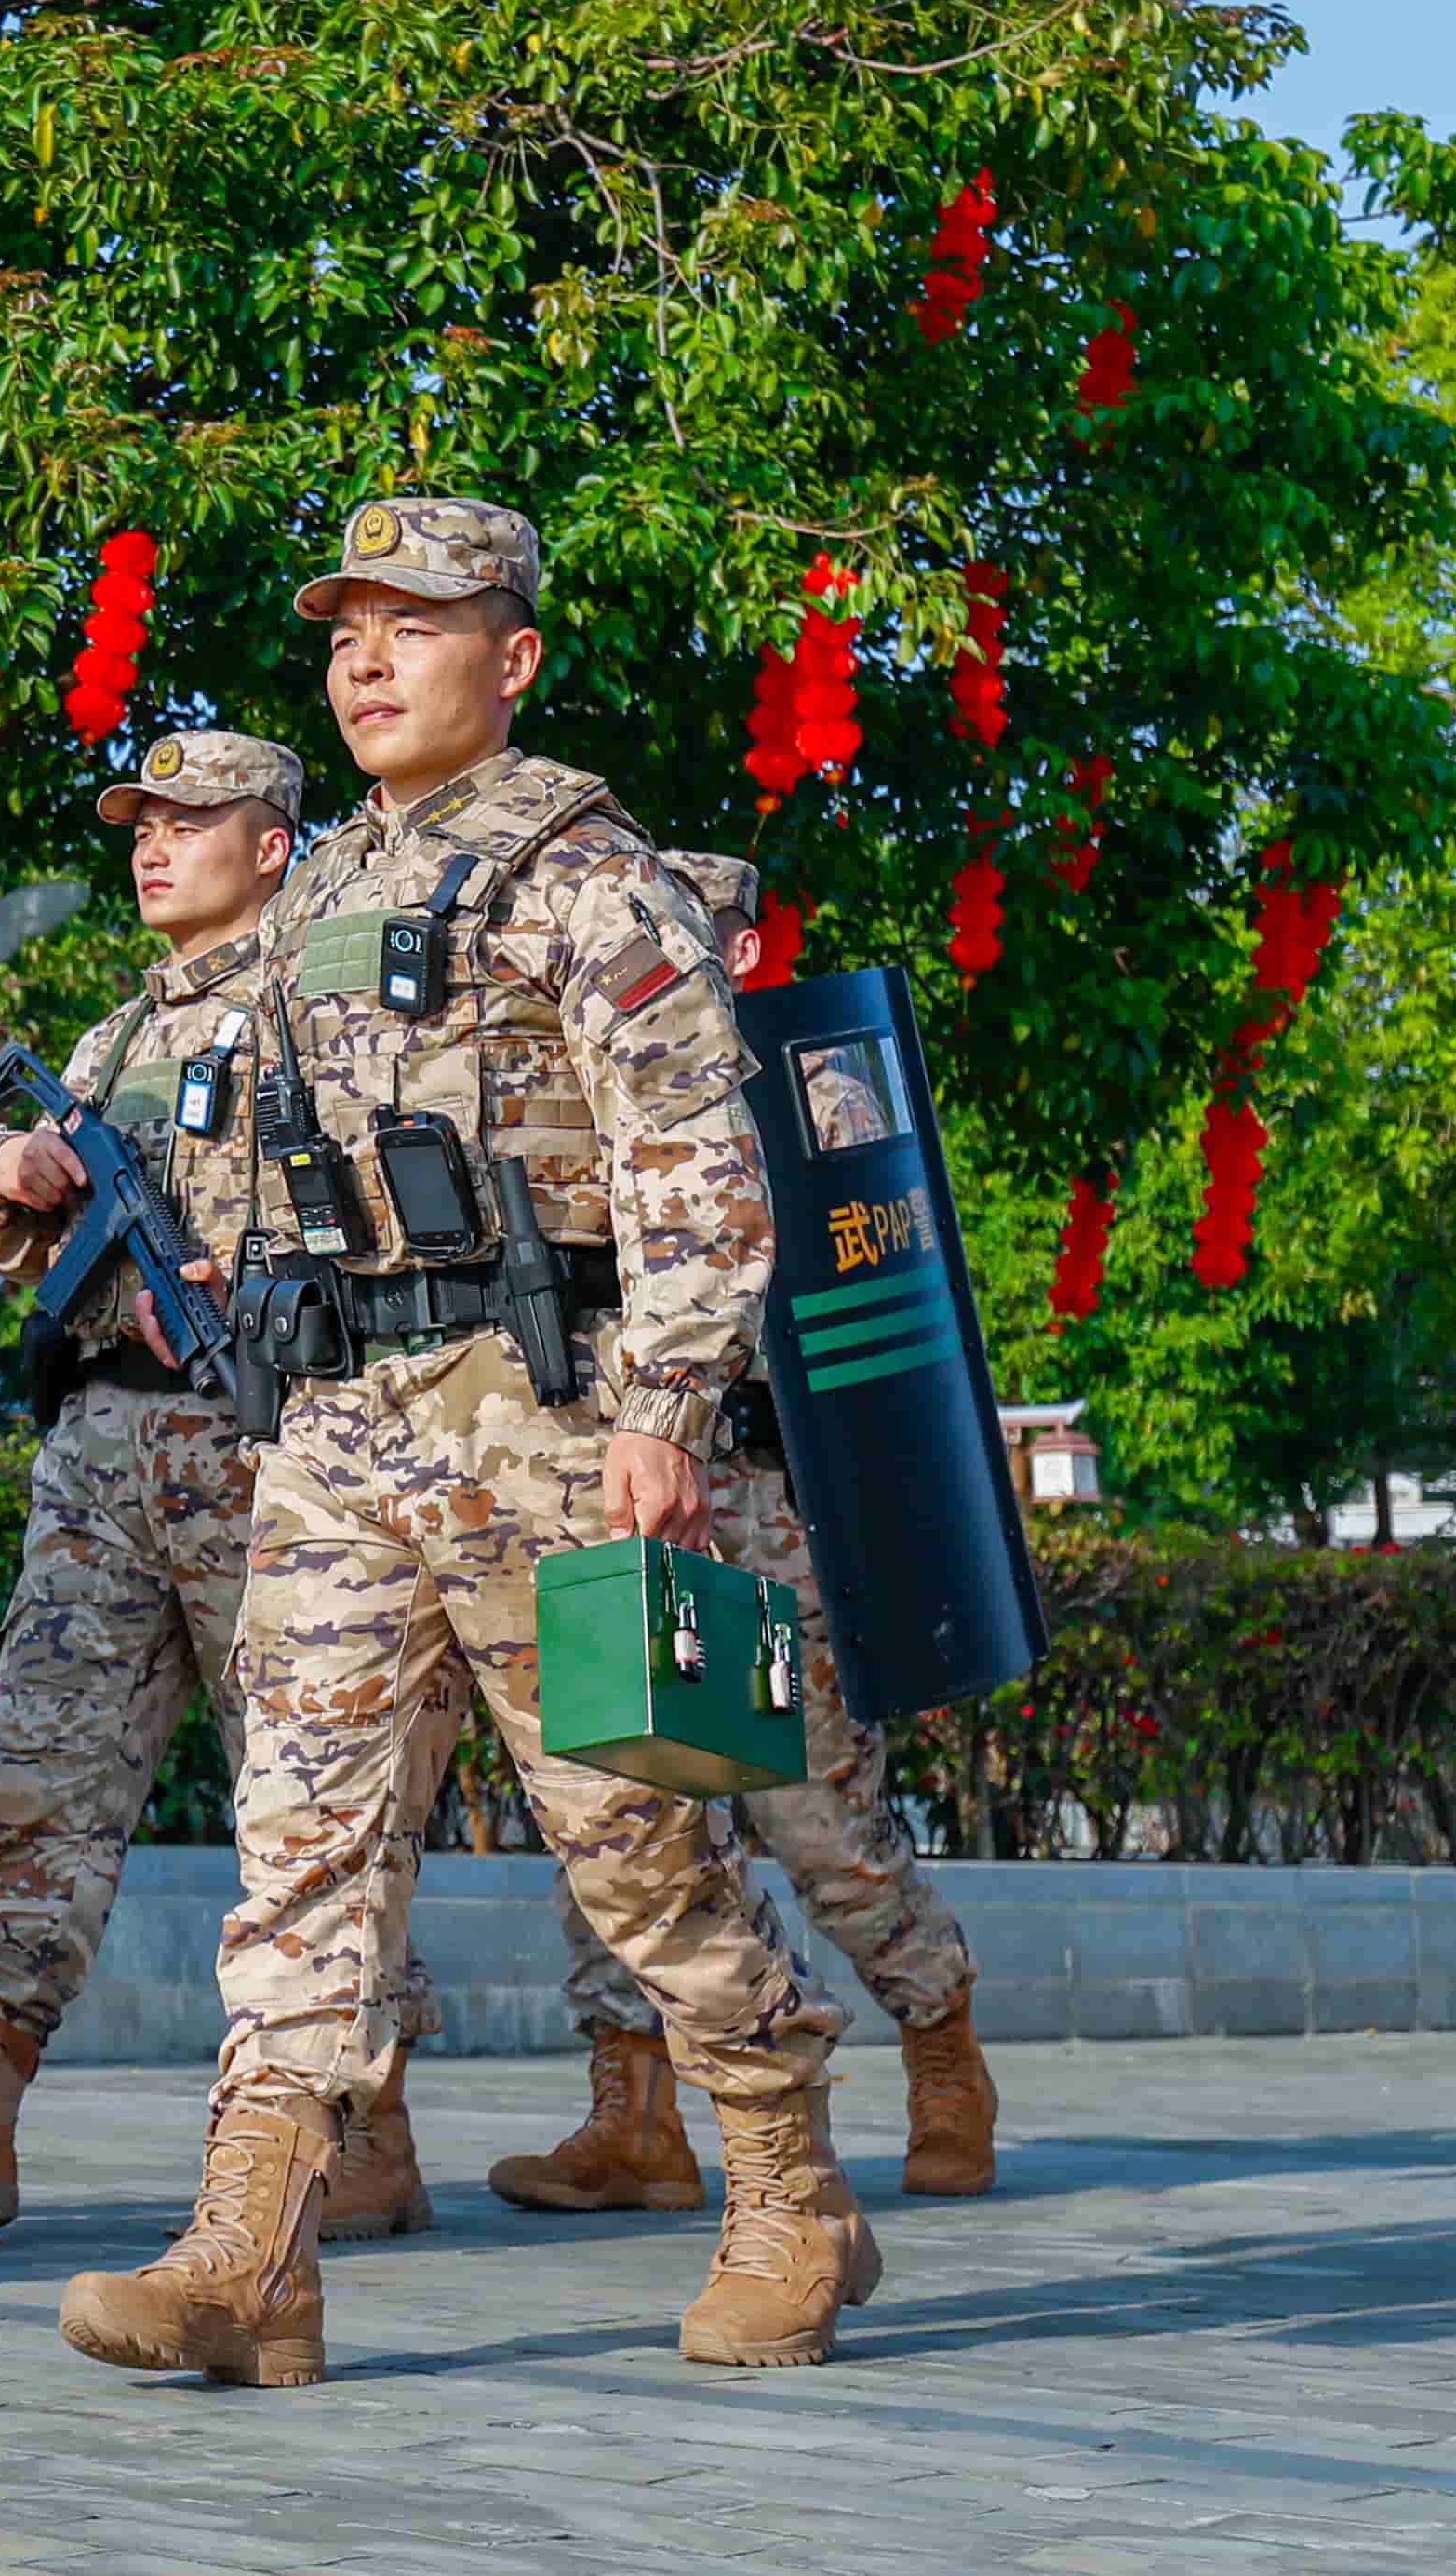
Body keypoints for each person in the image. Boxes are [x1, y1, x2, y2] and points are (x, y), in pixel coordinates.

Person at [60, 497, 874, 2392]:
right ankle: (252, 2248)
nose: (362, 654)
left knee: (634, 1839)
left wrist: (664, 1411)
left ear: (507, 656)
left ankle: (785, 2185)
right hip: (339, 1425)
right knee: (300, 1844)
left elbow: (693, 1151)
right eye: (345, 623)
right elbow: (226, 1137)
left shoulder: (586, 875)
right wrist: (47, 1190)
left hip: (547, 1417)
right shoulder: (316, 881)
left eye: (410, 622)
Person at [0, 732, 449, 2244]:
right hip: (105, 1446)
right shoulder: (115, 1038)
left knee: (312, 1804)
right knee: (41, 1776)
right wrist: (11, 1174)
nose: (152, 844)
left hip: (281, 1446)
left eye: (192, 820)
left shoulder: (335, 1007)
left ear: (276, 843)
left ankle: (358, 2130)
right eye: (140, 821)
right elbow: (16, 1228)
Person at [488, 849, 997, 2214]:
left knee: (815, 1804)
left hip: (773, 1492)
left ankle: (941, 2040)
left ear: (752, 945)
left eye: (702, 934)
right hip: (614, 1478)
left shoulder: (817, 1083)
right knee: (619, 1789)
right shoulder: (583, 1083)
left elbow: (874, 1266)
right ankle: (632, 2107)